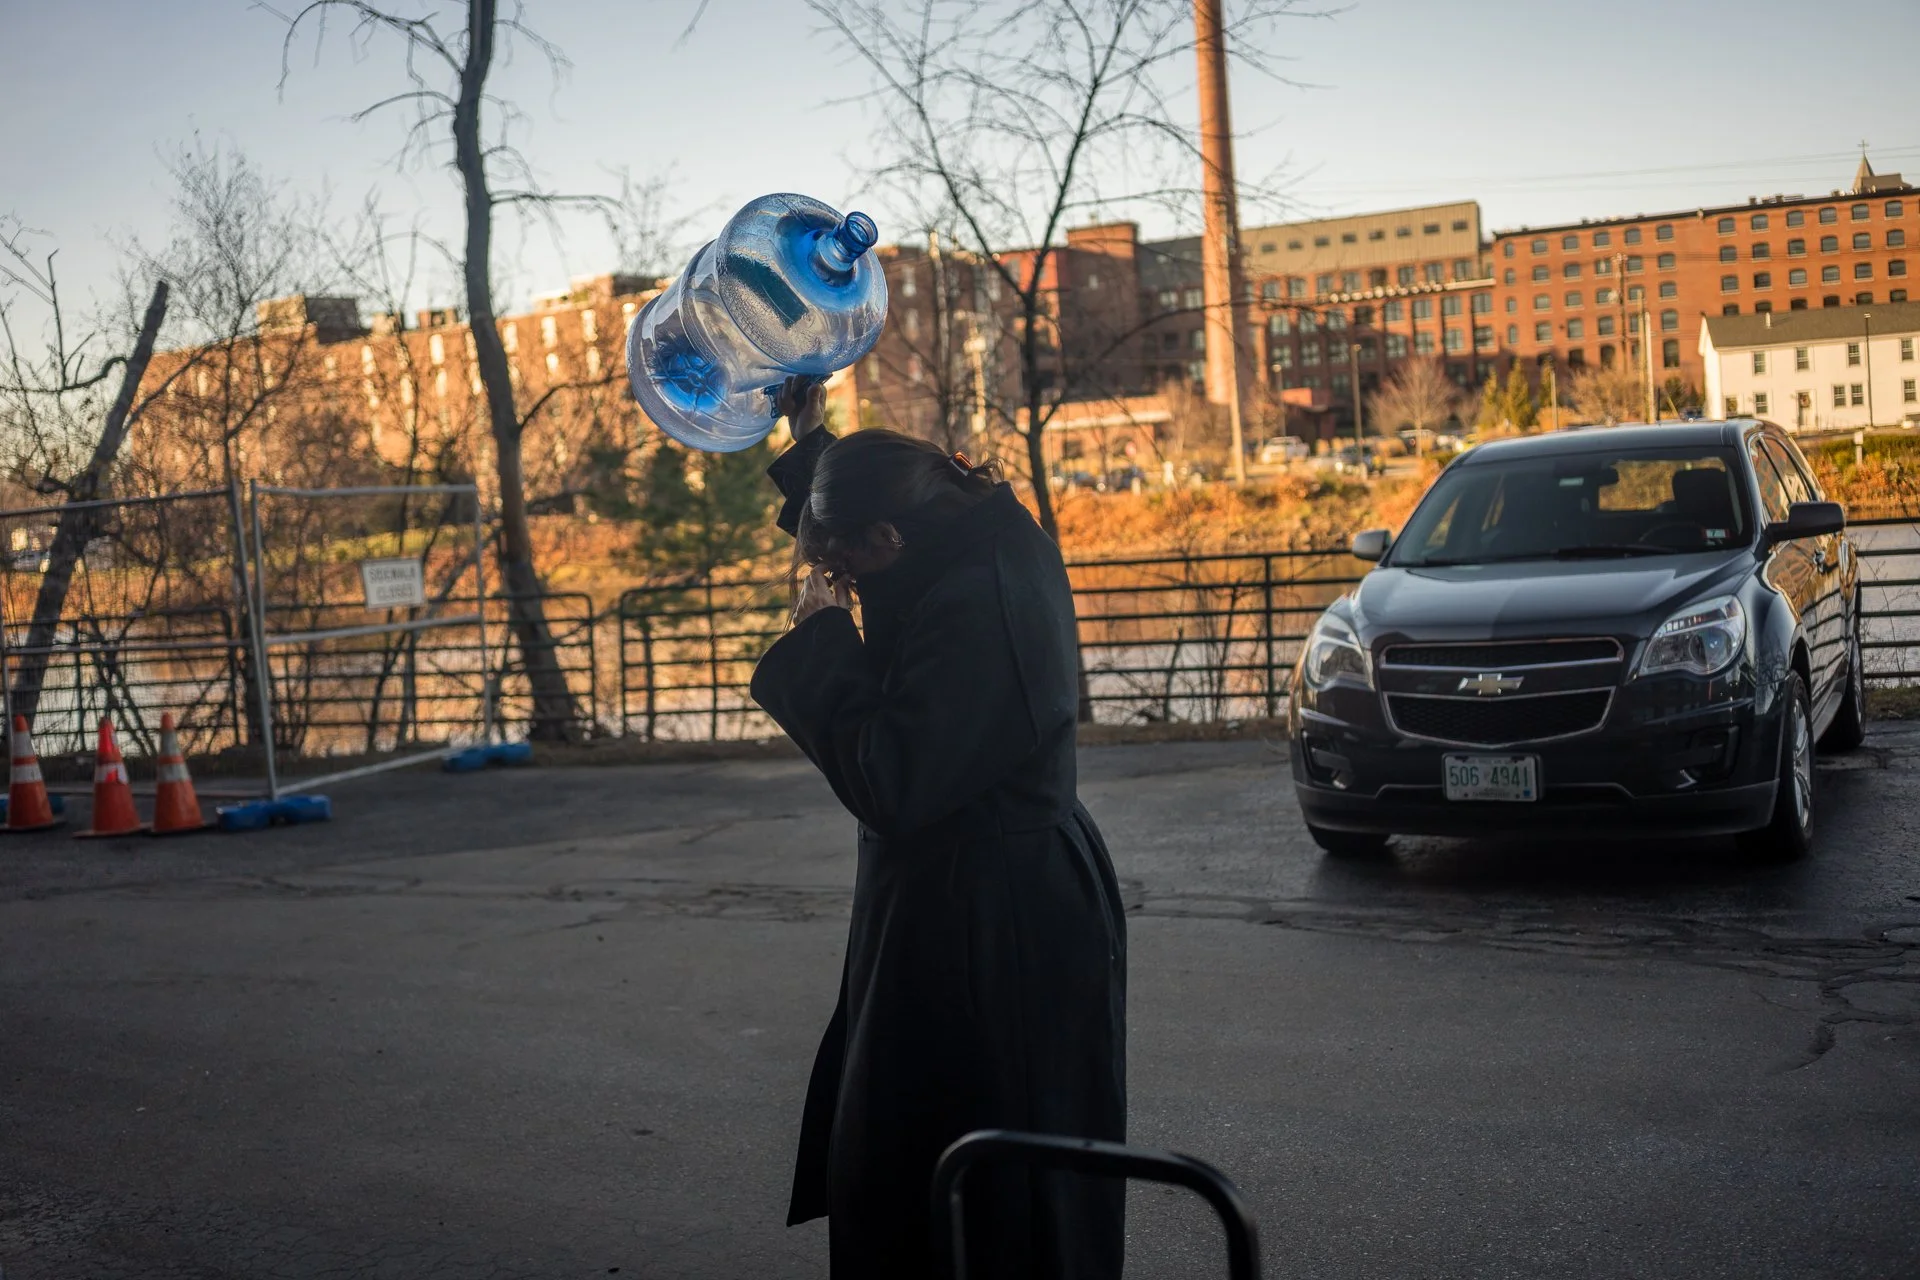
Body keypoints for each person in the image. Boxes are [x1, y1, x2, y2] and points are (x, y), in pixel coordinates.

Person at [751, 377, 1128, 1279]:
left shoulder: (985, 603)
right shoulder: (952, 522)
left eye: (847, 570)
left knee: (995, 1181)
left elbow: (895, 777)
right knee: (919, 1146)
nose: (837, 585)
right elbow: (870, 505)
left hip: (998, 925)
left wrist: (822, 644)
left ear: (887, 541)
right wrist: (811, 443)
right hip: (957, 901)